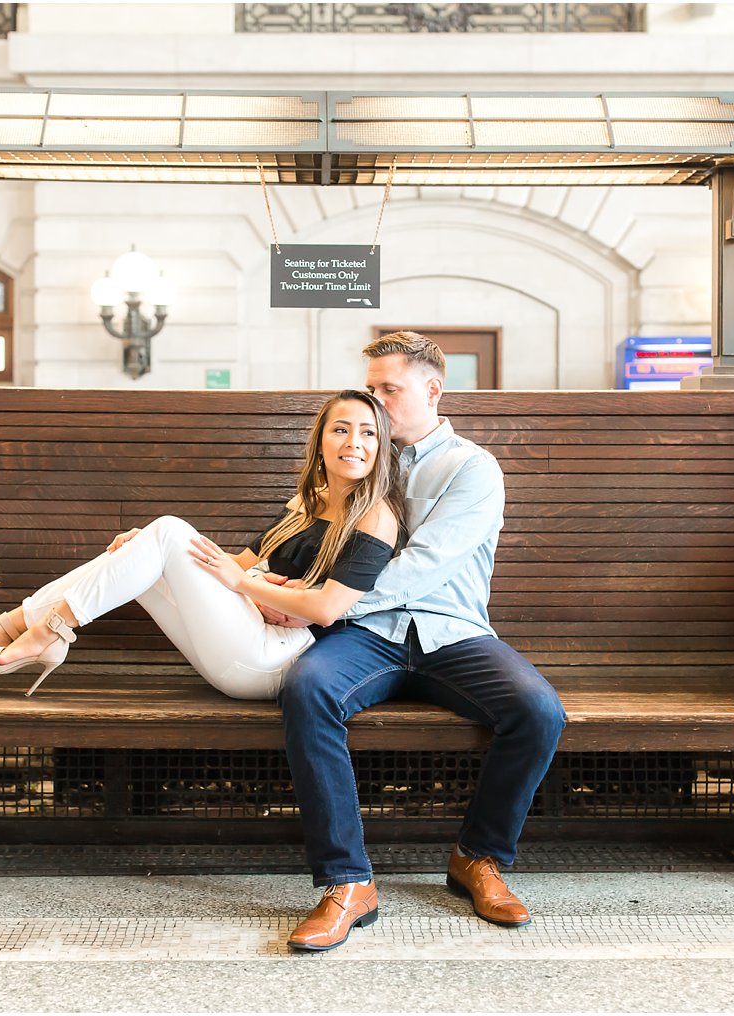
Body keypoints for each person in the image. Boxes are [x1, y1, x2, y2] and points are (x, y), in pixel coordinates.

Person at [268, 332, 568, 953]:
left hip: (450, 633)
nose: (372, 405)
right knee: (307, 689)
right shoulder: (354, 460)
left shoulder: (471, 468)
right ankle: (347, 883)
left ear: (432, 390)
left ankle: (477, 858)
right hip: (365, 637)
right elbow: (293, 540)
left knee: (537, 710)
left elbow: (422, 566)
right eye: (370, 389)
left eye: (388, 390)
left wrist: (320, 601)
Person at [0, 390, 403, 700]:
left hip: (276, 660)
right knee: (143, 548)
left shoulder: (376, 516)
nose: (353, 442)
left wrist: (243, 584)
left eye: (367, 433)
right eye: (340, 429)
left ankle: (44, 632)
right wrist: (147, 549)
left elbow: (324, 609)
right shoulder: (307, 500)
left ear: (381, 445)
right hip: (245, 631)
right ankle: (9, 628)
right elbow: (232, 565)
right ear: (321, 440)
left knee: (168, 530)